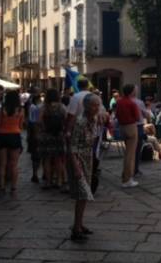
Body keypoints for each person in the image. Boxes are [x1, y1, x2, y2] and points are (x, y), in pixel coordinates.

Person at [68, 93, 100, 242]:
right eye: (94, 105)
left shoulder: (93, 120)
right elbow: (72, 146)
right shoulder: (80, 122)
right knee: (83, 193)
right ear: (87, 106)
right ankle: (76, 228)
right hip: (78, 159)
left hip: (88, 159)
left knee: (83, 196)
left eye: (98, 105)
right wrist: (76, 167)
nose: (96, 108)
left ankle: (79, 224)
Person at [0, 91, 24, 194]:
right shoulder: (21, 110)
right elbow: (21, 126)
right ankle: (13, 187)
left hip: (2, 135)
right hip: (14, 135)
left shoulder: (2, 109)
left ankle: (2, 186)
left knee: (2, 163)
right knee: (14, 164)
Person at [39, 88, 67, 189]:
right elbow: (66, 120)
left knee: (47, 159)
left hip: (47, 136)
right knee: (58, 159)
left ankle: (48, 181)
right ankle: (59, 181)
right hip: (58, 136)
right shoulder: (62, 107)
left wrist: (44, 130)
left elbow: (40, 121)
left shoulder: (44, 107)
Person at [115, 84, 139, 188]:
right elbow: (137, 117)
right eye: (134, 90)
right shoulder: (132, 103)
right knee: (130, 155)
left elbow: (116, 114)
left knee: (127, 153)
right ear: (131, 92)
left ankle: (125, 176)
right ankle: (127, 179)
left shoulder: (119, 101)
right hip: (131, 127)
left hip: (122, 127)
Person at [28, 94, 42, 183]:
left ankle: (35, 174)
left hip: (33, 134)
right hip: (37, 133)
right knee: (37, 155)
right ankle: (36, 174)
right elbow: (35, 122)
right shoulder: (36, 108)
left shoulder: (32, 107)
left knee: (35, 156)